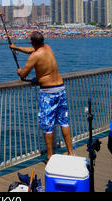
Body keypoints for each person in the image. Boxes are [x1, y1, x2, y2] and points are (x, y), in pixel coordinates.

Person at [10, 31, 74, 162]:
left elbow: (23, 74)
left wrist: (19, 71)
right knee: (64, 122)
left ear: (33, 42)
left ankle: (50, 156)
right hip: (61, 89)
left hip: (48, 93)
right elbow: (31, 51)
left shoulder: (35, 56)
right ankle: (70, 152)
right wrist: (16, 47)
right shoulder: (48, 48)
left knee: (47, 125)